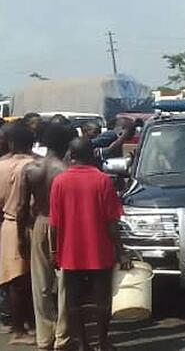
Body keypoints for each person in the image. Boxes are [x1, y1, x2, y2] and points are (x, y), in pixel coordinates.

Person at [50, 138, 131, 351]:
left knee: (73, 301)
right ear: (92, 154)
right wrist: (121, 252)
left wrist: (54, 251)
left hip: (70, 252)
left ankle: (84, 344)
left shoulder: (60, 181)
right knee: (102, 299)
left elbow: (54, 223)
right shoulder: (103, 180)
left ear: (71, 155)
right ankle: (103, 342)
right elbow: (112, 223)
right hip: (100, 250)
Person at [18, 124, 74, 350]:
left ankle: (44, 338)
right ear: (65, 145)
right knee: (64, 282)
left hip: (39, 222)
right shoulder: (66, 171)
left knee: (40, 283)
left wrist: (22, 236)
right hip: (63, 225)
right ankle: (63, 336)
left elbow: (22, 207)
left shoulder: (31, 169)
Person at [0, 122, 36, 346]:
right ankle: (20, 329)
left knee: (14, 279)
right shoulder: (36, 165)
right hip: (31, 224)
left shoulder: (1, 166)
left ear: (10, 142)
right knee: (27, 280)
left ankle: (18, 325)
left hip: (8, 223)